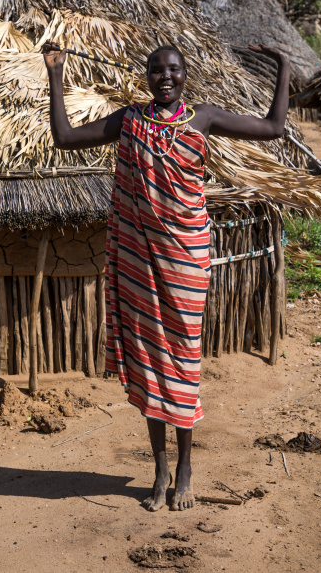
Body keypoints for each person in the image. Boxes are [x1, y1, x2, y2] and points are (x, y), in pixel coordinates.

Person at [43, 41, 289, 511]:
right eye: (156, 70)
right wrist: (56, 75)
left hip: (185, 259)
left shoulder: (205, 118)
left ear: (185, 74)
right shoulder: (129, 121)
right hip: (140, 260)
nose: (165, 77)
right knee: (148, 364)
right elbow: (65, 138)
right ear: (146, 77)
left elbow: (273, 127)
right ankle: (159, 473)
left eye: (173, 69)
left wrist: (283, 66)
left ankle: (186, 472)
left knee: (181, 361)